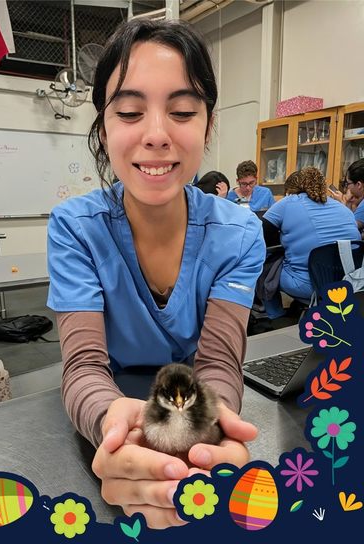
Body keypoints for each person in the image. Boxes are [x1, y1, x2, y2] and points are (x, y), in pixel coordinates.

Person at [46, 18, 262, 529]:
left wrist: (206, 431)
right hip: (111, 398)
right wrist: (111, 423)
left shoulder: (239, 234)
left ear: (208, 126)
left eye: (182, 111)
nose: (157, 135)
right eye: (129, 112)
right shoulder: (76, 228)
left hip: (191, 401)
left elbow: (219, 364)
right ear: (104, 128)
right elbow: (83, 366)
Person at [260, 167, 360, 318]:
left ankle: (275, 316)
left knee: (264, 266)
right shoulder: (342, 207)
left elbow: (260, 236)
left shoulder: (288, 202)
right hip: (348, 283)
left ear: (293, 188)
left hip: (308, 286)